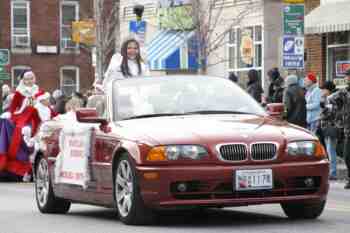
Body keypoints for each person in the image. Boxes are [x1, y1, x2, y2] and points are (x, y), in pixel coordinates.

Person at [0, 70, 42, 179]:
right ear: (23, 80)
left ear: (34, 79)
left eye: (31, 78)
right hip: (22, 117)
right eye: (27, 79)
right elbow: (13, 107)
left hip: (36, 117)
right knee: (13, 126)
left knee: (29, 129)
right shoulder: (19, 92)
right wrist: (9, 113)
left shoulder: (39, 91)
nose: (29, 81)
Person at [328, 69, 350, 189]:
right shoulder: (345, 92)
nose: (346, 79)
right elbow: (330, 98)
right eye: (346, 77)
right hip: (347, 128)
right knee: (346, 155)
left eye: (348, 77)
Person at [319, 81, 338, 180]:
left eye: (323, 89)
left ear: (328, 90)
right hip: (326, 127)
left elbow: (331, 113)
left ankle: (333, 173)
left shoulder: (332, 99)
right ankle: (331, 171)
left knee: (331, 150)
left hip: (331, 126)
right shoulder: (326, 99)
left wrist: (323, 111)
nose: (322, 91)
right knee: (328, 150)